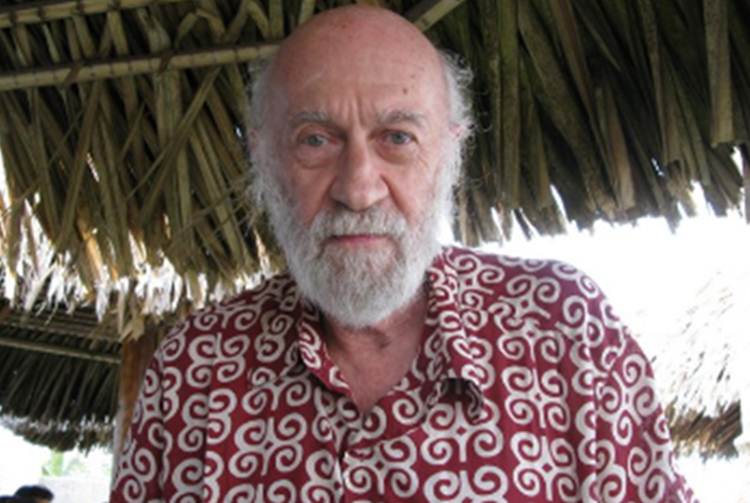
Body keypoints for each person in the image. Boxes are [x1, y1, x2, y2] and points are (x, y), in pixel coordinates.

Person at [111, 5, 694, 502]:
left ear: (449, 153)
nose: (358, 188)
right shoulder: (195, 370)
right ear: (265, 160)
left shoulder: (564, 327)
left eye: (397, 138)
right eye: (315, 140)